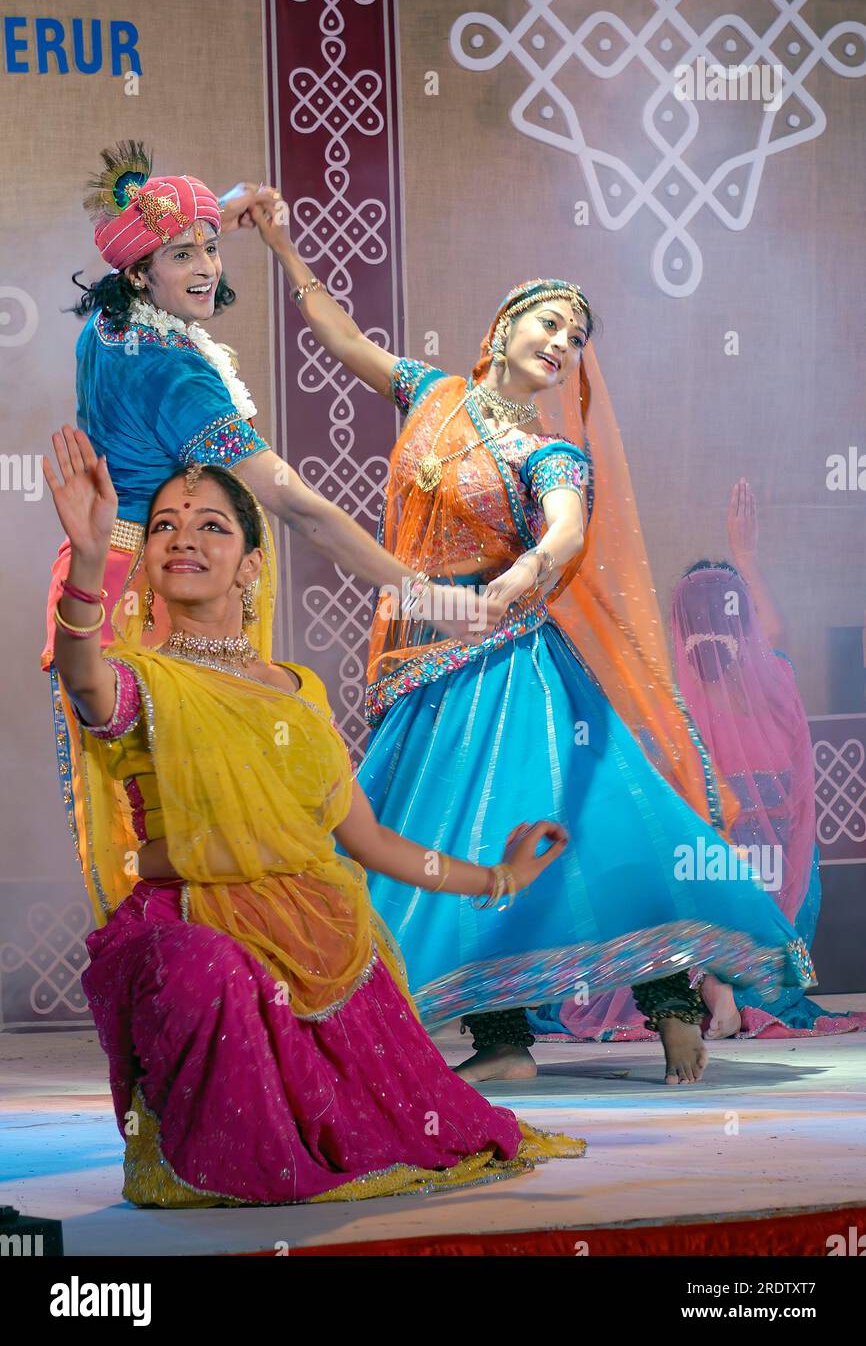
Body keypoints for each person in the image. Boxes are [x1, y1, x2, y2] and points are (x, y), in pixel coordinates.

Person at [245, 202, 818, 1087]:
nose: (563, 341)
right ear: (506, 326)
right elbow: (339, 334)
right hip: (423, 666)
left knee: (585, 829)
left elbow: (563, 532)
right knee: (437, 837)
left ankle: (669, 1008)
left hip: (511, 663)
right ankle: (504, 1042)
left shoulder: (551, 452)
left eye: (578, 336)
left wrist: (521, 578)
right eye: (550, 321)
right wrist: (282, 241)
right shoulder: (430, 394)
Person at [42, 427, 579, 1206]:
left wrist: (495, 874)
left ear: (251, 566)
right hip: (194, 925)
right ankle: (227, 1159)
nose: (182, 538)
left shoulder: (297, 694)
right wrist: (89, 559)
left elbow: (365, 840)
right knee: (208, 971)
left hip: (315, 928)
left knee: (414, 1117)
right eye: (164, 525)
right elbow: (85, 681)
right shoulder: (140, 682)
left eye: (210, 526)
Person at [45, 142, 490, 879]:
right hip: (155, 601)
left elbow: (159, 235)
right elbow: (292, 502)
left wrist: (230, 201)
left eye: (212, 249)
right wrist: (420, 593)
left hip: (107, 576)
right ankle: (211, 968)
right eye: (184, 256)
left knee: (150, 806)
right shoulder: (178, 375)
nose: (207, 269)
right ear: (140, 272)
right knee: (190, 810)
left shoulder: (110, 324)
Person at [532, 481, 866, 1042]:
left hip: (712, 876)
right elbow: (774, 632)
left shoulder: (673, 712)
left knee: (664, 864)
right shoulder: (773, 687)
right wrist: (745, 556)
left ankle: (710, 984)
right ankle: (730, 982)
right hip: (775, 880)